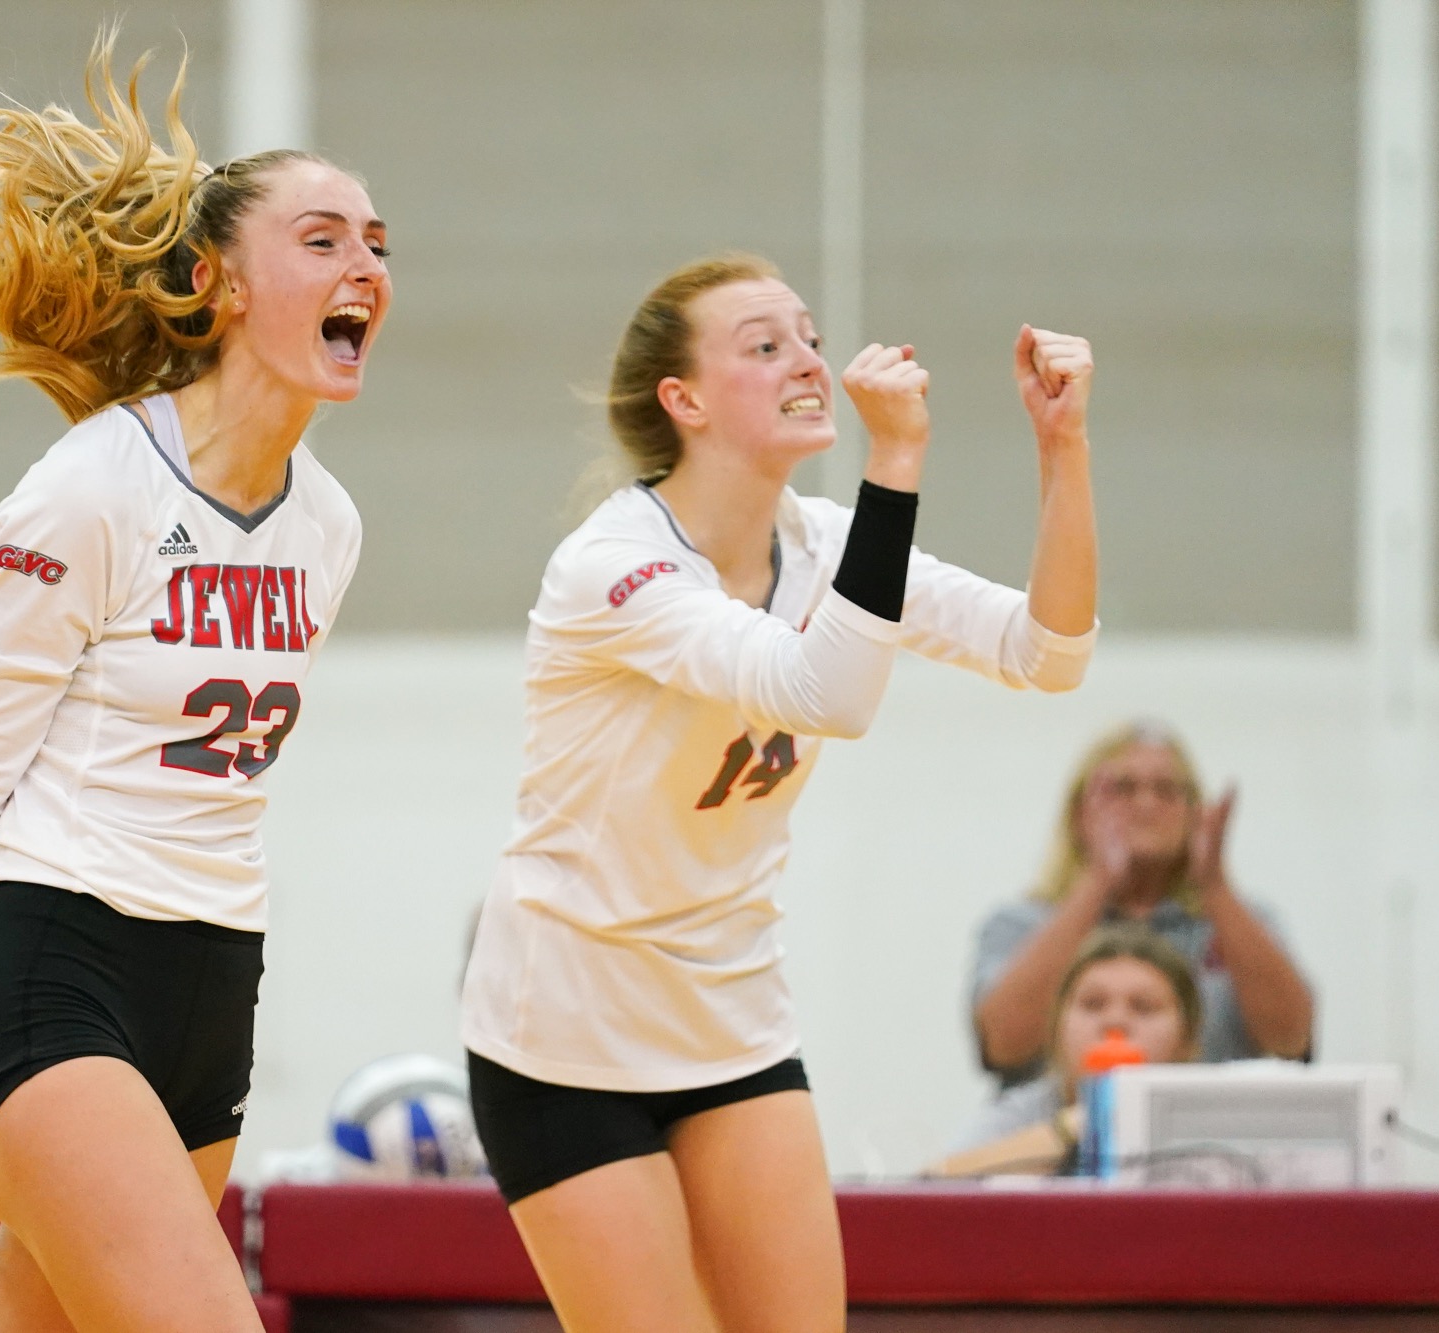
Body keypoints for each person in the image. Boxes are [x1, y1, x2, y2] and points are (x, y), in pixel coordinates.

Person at [0, 33, 388, 1330]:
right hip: (53, 974)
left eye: (376, 243)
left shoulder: (329, 524)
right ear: (214, 283)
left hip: (215, 988)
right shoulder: (91, 488)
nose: (364, 266)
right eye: (321, 240)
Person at [458, 253, 1099, 1333]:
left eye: (808, 338)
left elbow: (1050, 651)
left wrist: (1062, 445)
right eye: (764, 345)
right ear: (685, 400)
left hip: (731, 1014)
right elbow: (825, 694)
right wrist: (896, 455)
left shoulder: (824, 543)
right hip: (566, 1034)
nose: (807, 362)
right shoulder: (613, 565)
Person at [971, 722, 1312, 1088]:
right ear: (1080, 813)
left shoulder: (1239, 922)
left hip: (1208, 1121)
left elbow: (1290, 1041)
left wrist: (1213, 885)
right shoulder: (1023, 923)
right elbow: (1003, 1045)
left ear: (1195, 813)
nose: (1146, 804)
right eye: (1123, 788)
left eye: (1166, 790)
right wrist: (1098, 879)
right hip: (1058, 1121)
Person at [931, 926, 1202, 1176]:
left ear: (1186, 1038)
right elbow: (927, 1186)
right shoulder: (1028, 1111)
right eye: (1093, 1004)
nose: (1115, 1022)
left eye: (1143, 1007)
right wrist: (1068, 1130)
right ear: (1057, 1028)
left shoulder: (1208, 1116)